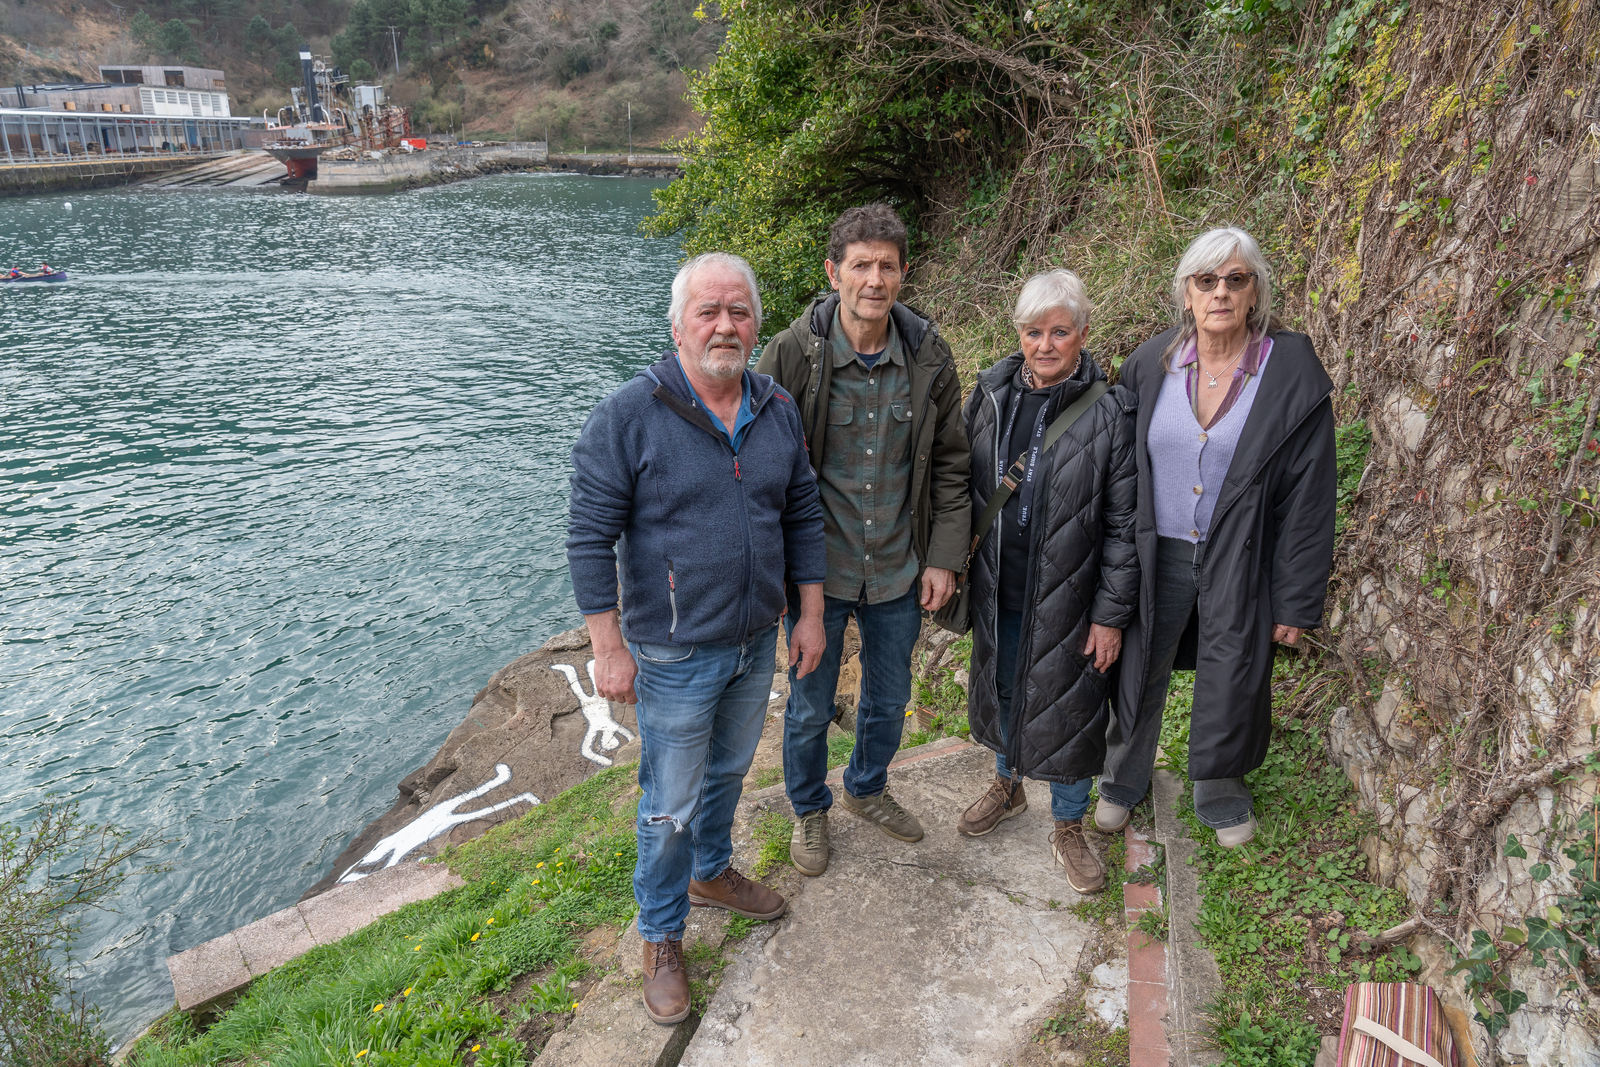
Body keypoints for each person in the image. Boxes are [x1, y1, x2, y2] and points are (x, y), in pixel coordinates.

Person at [566, 251, 828, 1025]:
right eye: (707, 311)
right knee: (669, 802)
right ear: (677, 326)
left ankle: (711, 872)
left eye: (738, 311)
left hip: (755, 641)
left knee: (727, 776)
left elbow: (803, 515)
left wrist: (808, 613)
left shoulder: (775, 407)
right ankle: (662, 934)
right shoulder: (629, 413)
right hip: (674, 652)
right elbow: (589, 535)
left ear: (755, 323)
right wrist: (607, 645)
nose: (724, 325)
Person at [1095, 226, 1337, 847]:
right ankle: (1122, 776)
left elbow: (1309, 500)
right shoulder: (1150, 365)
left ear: (1256, 291)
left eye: (1236, 279)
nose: (1221, 293)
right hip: (1160, 551)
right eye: (1207, 281)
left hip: (1244, 553)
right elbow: (1118, 472)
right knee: (1138, 664)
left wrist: (1297, 599)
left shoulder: (1290, 372)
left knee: (1233, 666)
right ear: (1186, 293)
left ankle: (1220, 785)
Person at [756, 203, 971, 876]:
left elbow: (952, 463)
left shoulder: (930, 357)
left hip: (900, 568)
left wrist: (942, 557)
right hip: (818, 573)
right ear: (833, 272)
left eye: (887, 266)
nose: (874, 279)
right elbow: (757, 463)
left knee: (888, 691)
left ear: (904, 273)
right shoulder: (794, 354)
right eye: (860, 265)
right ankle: (809, 808)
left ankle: (868, 788)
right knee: (811, 700)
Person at [955, 270, 1138, 894]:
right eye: (1034, 331)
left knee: (1074, 711)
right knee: (1005, 685)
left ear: (1083, 334)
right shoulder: (989, 395)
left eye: (1060, 331)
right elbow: (959, 487)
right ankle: (1007, 785)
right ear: (1019, 334)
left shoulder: (1109, 412)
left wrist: (1111, 614)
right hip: (998, 584)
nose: (1046, 344)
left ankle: (1067, 825)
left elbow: (1124, 521)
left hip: (1072, 595)